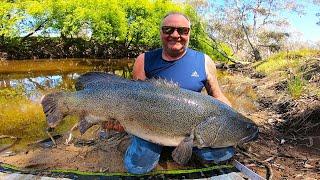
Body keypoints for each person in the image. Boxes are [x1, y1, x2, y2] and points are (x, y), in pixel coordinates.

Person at [122, 12, 235, 174]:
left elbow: (217, 96)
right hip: (151, 126)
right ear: (161, 32)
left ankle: (182, 149)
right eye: (168, 29)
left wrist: (232, 116)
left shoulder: (204, 61)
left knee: (224, 152)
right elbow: (134, 100)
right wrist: (120, 120)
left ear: (189, 33)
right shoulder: (144, 60)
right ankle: (157, 148)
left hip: (190, 129)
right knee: (137, 167)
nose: (175, 35)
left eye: (182, 30)